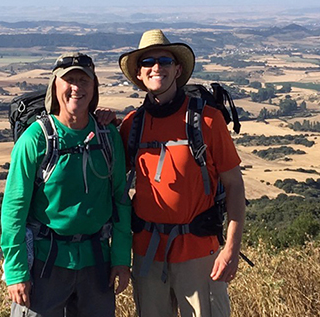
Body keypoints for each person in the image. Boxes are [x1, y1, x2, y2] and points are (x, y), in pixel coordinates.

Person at [118, 29, 246, 317]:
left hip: (200, 254)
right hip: (147, 254)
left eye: (164, 61)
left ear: (177, 70)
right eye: (148, 62)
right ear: (139, 74)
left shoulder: (208, 121)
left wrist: (232, 250)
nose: (156, 67)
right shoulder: (131, 125)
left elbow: (235, 186)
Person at [0, 52, 132, 317]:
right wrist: (16, 272)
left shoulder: (108, 137)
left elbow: (120, 199)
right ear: (54, 86)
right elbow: (14, 209)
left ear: (93, 88)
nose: (76, 88)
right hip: (45, 261)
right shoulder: (36, 139)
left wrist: (120, 258)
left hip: (97, 263)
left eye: (84, 81)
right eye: (68, 80)